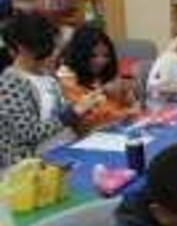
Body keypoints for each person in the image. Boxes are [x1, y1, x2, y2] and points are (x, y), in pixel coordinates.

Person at [0, 14, 101, 167]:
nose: (53, 52)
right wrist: (73, 113)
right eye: (46, 46)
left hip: (66, 150)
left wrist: (84, 109)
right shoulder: (10, 83)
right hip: (36, 166)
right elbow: (28, 134)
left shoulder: (47, 76)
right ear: (22, 48)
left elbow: (61, 116)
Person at [57, 25, 138, 130]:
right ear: (81, 55)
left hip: (120, 130)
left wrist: (127, 95)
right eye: (93, 56)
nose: (101, 61)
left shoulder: (107, 73)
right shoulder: (68, 79)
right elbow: (89, 121)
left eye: (106, 55)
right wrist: (127, 112)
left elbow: (131, 103)